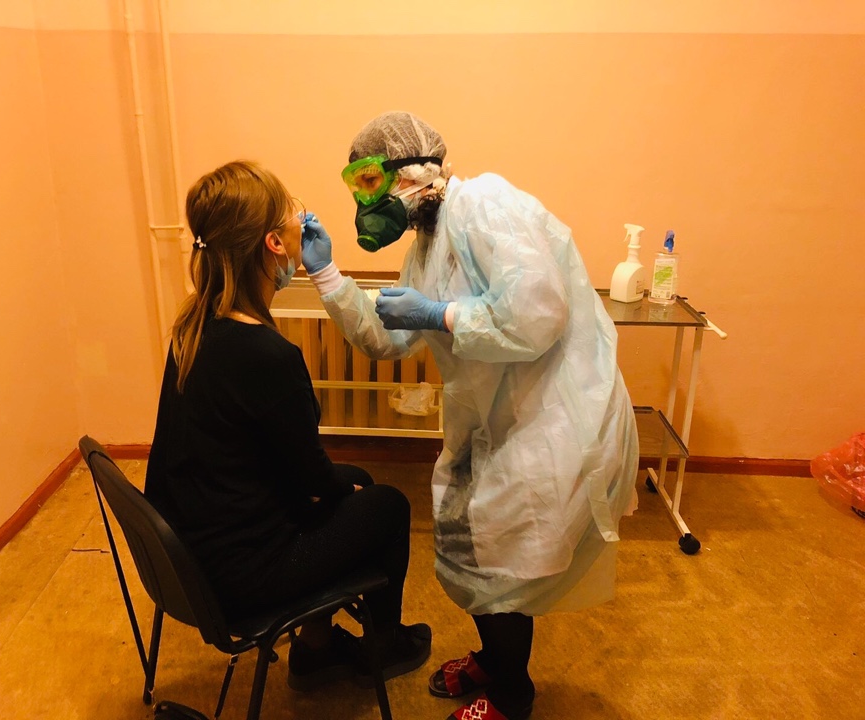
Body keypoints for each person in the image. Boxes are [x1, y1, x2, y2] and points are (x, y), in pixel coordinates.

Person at [300, 112, 639, 720]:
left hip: (548, 418)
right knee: (472, 550)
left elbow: (536, 316)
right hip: (492, 419)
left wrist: (442, 315)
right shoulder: (428, 244)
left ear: (413, 170)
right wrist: (327, 275)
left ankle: (511, 694)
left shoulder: (485, 204)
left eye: (372, 182)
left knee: (503, 565)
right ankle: (493, 660)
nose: (366, 203)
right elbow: (388, 336)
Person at [144, 160, 431, 693]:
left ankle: (317, 647)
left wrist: (339, 485)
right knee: (387, 504)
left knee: (352, 483)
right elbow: (311, 478)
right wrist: (346, 488)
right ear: (274, 244)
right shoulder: (267, 355)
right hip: (240, 578)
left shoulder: (194, 327)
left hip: (185, 558)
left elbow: (275, 461)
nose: (303, 221)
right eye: (292, 215)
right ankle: (383, 646)